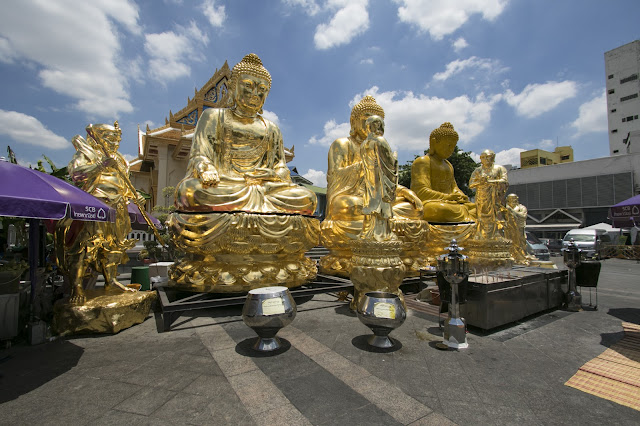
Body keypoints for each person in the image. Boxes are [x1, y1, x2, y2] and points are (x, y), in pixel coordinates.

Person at [175, 53, 316, 215]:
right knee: (190, 193)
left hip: (264, 188)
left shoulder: (271, 128)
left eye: (262, 89)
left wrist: (272, 174)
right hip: (225, 185)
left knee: (308, 198)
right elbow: (199, 155)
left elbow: (282, 169)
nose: (255, 93)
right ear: (233, 88)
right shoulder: (213, 117)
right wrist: (206, 169)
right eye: (248, 85)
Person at [60, 122, 138, 304]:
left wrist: (135, 197)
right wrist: (100, 166)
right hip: (94, 206)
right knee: (85, 246)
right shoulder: (87, 154)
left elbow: (124, 184)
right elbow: (76, 174)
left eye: (117, 140)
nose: (114, 143)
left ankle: (111, 281)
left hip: (117, 206)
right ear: (99, 138)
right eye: (110, 139)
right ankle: (77, 285)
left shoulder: (119, 159)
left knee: (114, 247)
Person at [325, 95, 422, 229]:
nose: (372, 125)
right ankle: (385, 218)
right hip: (353, 197)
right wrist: (367, 165)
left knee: (413, 207)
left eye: (377, 122)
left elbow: (387, 182)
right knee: (344, 205)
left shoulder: (380, 146)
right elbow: (335, 177)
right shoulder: (342, 144)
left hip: (378, 200)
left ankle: (384, 216)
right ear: (353, 121)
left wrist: (405, 192)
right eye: (367, 119)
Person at [411, 122, 476, 223]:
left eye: (453, 147)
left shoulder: (448, 165)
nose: (451, 150)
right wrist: (447, 197)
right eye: (448, 145)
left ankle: (466, 219)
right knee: (439, 210)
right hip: (431, 203)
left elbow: (454, 188)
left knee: (477, 209)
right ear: (434, 142)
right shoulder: (423, 161)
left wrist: (460, 195)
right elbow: (420, 192)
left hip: (451, 203)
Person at [359, 115, 398, 241]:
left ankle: (368, 232)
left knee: (371, 206)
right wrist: (395, 158)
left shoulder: (364, 144)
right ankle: (381, 235)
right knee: (381, 206)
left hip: (369, 183)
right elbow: (389, 164)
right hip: (380, 182)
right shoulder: (380, 141)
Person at [469, 149, 509, 240]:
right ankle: (481, 235)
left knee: (496, 215)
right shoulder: (478, 170)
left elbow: (504, 180)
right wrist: (480, 182)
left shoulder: (499, 168)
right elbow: (471, 184)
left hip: (495, 197)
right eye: (483, 157)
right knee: (480, 216)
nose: (485, 159)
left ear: (493, 157)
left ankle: (497, 234)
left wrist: (490, 181)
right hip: (481, 197)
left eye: (488, 157)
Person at [504, 193, 532, 263]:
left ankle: (523, 256)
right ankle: (511, 255)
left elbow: (522, 216)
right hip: (508, 228)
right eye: (510, 199)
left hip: (519, 228)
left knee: (521, 242)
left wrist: (511, 211)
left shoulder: (521, 208)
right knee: (508, 242)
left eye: (514, 198)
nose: (512, 200)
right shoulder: (505, 208)